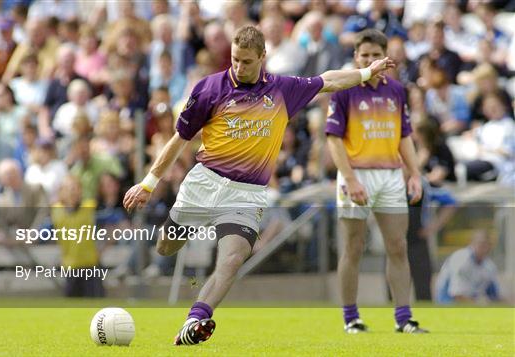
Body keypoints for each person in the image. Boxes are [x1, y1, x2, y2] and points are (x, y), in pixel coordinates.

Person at [123, 25, 394, 345]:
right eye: (235, 60)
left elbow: (329, 80)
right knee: (166, 246)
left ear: (263, 58)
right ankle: (182, 249)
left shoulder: (281, 89)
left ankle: (195, 320)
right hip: (204, 182)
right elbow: (179, 140)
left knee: (233, 258)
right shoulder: (209, 89)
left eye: (247, 62)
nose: (239, 67)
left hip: (246, 193)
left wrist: (366, 72)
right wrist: (149, 182)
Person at [325, 29, 428, 334]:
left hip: (390, 175)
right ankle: (351, 318)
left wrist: (415, 173)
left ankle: (403, 319)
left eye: (374, 55)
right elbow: (333, 139)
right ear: (356, 57)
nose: (369, 60)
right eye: (364, 55)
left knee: (398, 246)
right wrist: (350, 178)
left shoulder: (396, 90)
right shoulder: (344, 90)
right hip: (356, 174)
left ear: (384, 56)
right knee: (353, 247)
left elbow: (404, 136)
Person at [435, 230, 500, 304]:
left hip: (472, 302)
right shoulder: (461, 260)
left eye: (486, 244)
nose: (483, 247)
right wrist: (478, 303)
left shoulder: (489, 266)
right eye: (480, 243)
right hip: (447, 300)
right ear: (472, 243)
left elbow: (494, 296)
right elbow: (456, 295)